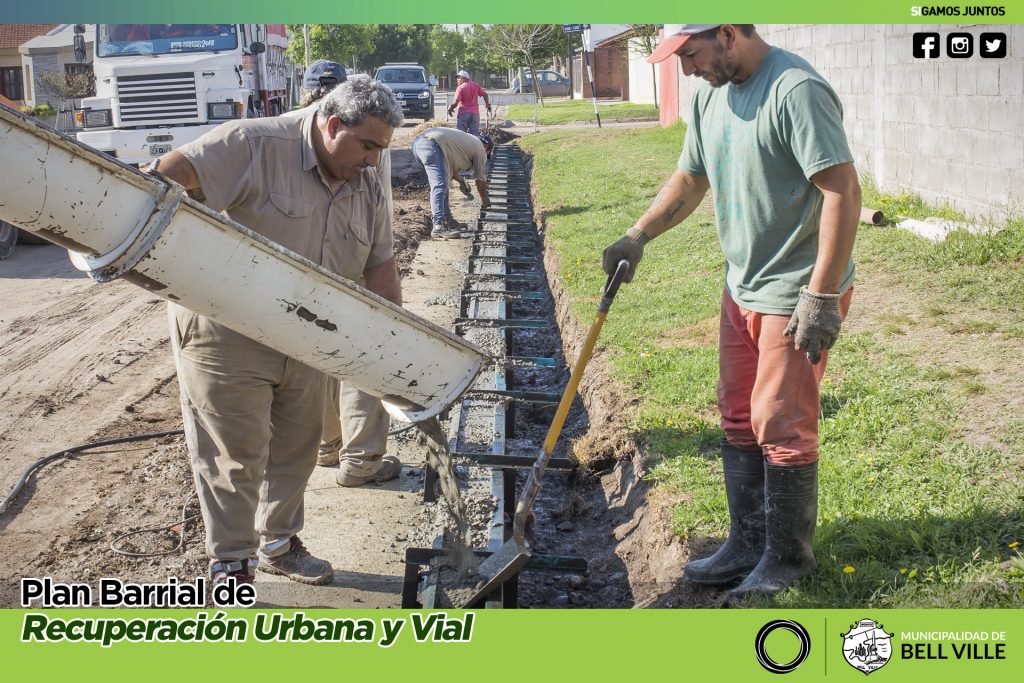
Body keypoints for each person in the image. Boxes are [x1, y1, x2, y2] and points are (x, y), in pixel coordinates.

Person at [603, 24, 860, 599]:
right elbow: (692, 177)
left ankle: (789, 559)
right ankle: (747, 544)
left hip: (795, 290)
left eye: (690, 55)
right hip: (742, 285)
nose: (686, 70)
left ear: (726, 34)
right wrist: (637, 235)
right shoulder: (710, 94)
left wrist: (820, 294)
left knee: (780, 421)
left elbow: (843, 189)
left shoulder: (795, 91)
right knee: (739, 417)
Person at [155, 78, 405, 588]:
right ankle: (231, 561)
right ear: (333, 125)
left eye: (382, 148)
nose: (375, 161)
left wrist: (390, 344)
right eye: (369, 146)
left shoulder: (368, 181)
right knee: (235, 454)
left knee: (297, 445)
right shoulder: (254, 143)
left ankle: (279, 543)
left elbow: (379, 262)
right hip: (229, 335)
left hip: (309, 334)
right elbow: (163, 178)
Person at [284, 67, 402, 485]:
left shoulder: (301, 131)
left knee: (314, 354)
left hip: (302, 273)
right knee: (364, 355)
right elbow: (377, 205)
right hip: (352, 252)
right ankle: (361, 460)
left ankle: (328, 447)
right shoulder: (366, 140)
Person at [412, 127, 493, 239]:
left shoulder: (465, 143)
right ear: (487, 148)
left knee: (442, 184)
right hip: (432, 145)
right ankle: (438, 227)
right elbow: (480, 179)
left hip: (419, 144)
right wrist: (484, 199)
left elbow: (450, 171)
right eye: (487, 154)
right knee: (440, 185)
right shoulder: (480, 149)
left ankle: (449, 222)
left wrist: (461, 181)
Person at [447, 70, 491, 136]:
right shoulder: (476, 85)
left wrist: (451, 108)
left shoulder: (460, 88)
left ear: (464, 78)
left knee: (461, 136)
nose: (457, 79)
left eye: (459, 78)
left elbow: (456, 101)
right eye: (457, 78)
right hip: (475, 115)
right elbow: (485, 94)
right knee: (474, 137)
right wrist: (487, 105)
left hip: (464, 114)